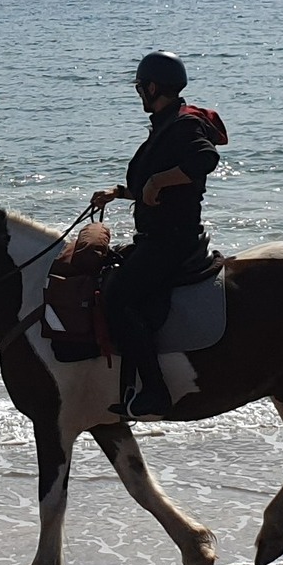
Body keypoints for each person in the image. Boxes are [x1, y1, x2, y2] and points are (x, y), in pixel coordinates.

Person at [89, 51, 225, 416]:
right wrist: (120, 193)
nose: (139, 94)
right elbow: (158, 189)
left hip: (173, 241)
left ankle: (156, 392)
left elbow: (204, 160)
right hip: (160, 237)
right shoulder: (166, 124)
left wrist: (156, 180)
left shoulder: (183, 125)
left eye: (139, 88)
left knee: (118, 299)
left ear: (151, 87)